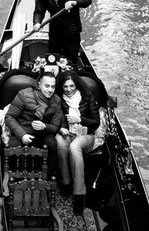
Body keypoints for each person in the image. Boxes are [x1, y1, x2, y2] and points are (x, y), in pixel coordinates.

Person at [55, 70, 100, 215]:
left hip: (86, 136)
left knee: (74, 147)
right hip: (67, 133)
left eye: (71, 86)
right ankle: (66, 182)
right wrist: (61, 128)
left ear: (76, 85)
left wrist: (80, 119)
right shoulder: (58, 99)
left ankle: (79, 194)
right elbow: (57, 119)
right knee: (61, 144)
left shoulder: (87, 97)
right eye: (65, 87)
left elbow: (95, 123)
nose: (68, 90)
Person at [5, 72, 63, 177]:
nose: (50, 90)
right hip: (23, 130)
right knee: (12, 146)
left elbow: (55, 127)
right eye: (47, 86)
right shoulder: (23, 94)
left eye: (53, 87)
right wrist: (22, 135)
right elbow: (9, 117)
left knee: (52, 144)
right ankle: (19, 177)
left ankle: (46, 178)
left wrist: (45, 126)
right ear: (39, 84)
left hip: (43, 133)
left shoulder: (57, 100)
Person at [33, 0, 92, 65]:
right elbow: (39, 11)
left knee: (71, 58)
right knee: (53, 57)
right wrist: (37, 22)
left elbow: (87, 0)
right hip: (55, 31)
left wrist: (74, 2)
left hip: (72, 31)